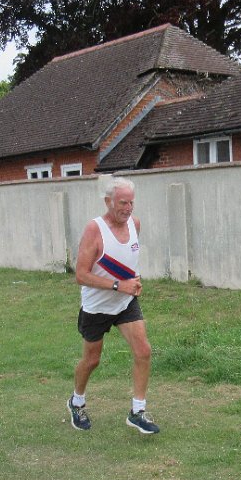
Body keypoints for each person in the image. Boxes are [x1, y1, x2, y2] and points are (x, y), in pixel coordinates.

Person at [67, 177, 159, 435]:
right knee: (92, 360)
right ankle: (76, 402)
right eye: (122, 203)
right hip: (96, 307)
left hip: (125, 303)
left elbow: (128, 258)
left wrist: (134, 281)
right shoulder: (94, 229)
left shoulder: (134, 224)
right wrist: (119, 285)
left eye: (131, 203)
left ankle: (137, 412)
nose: (128, 208)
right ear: (108, 201)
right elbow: (81, 275)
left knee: (143, 351)